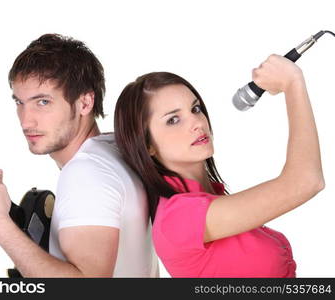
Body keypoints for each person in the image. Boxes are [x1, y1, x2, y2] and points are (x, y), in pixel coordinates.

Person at [0, 33, 158, 277]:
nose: (26, 120)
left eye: (42, 102)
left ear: (85, 103)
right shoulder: (116, 146)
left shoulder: (86, 172)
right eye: (19, 103)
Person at [114, 55, 325, 277]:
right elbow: (306, 181)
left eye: (195, 109)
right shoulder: (178, 218)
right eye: (173, 120)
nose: (197, 123)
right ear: (147, 145)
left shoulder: (213, 197)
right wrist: (293, 83)